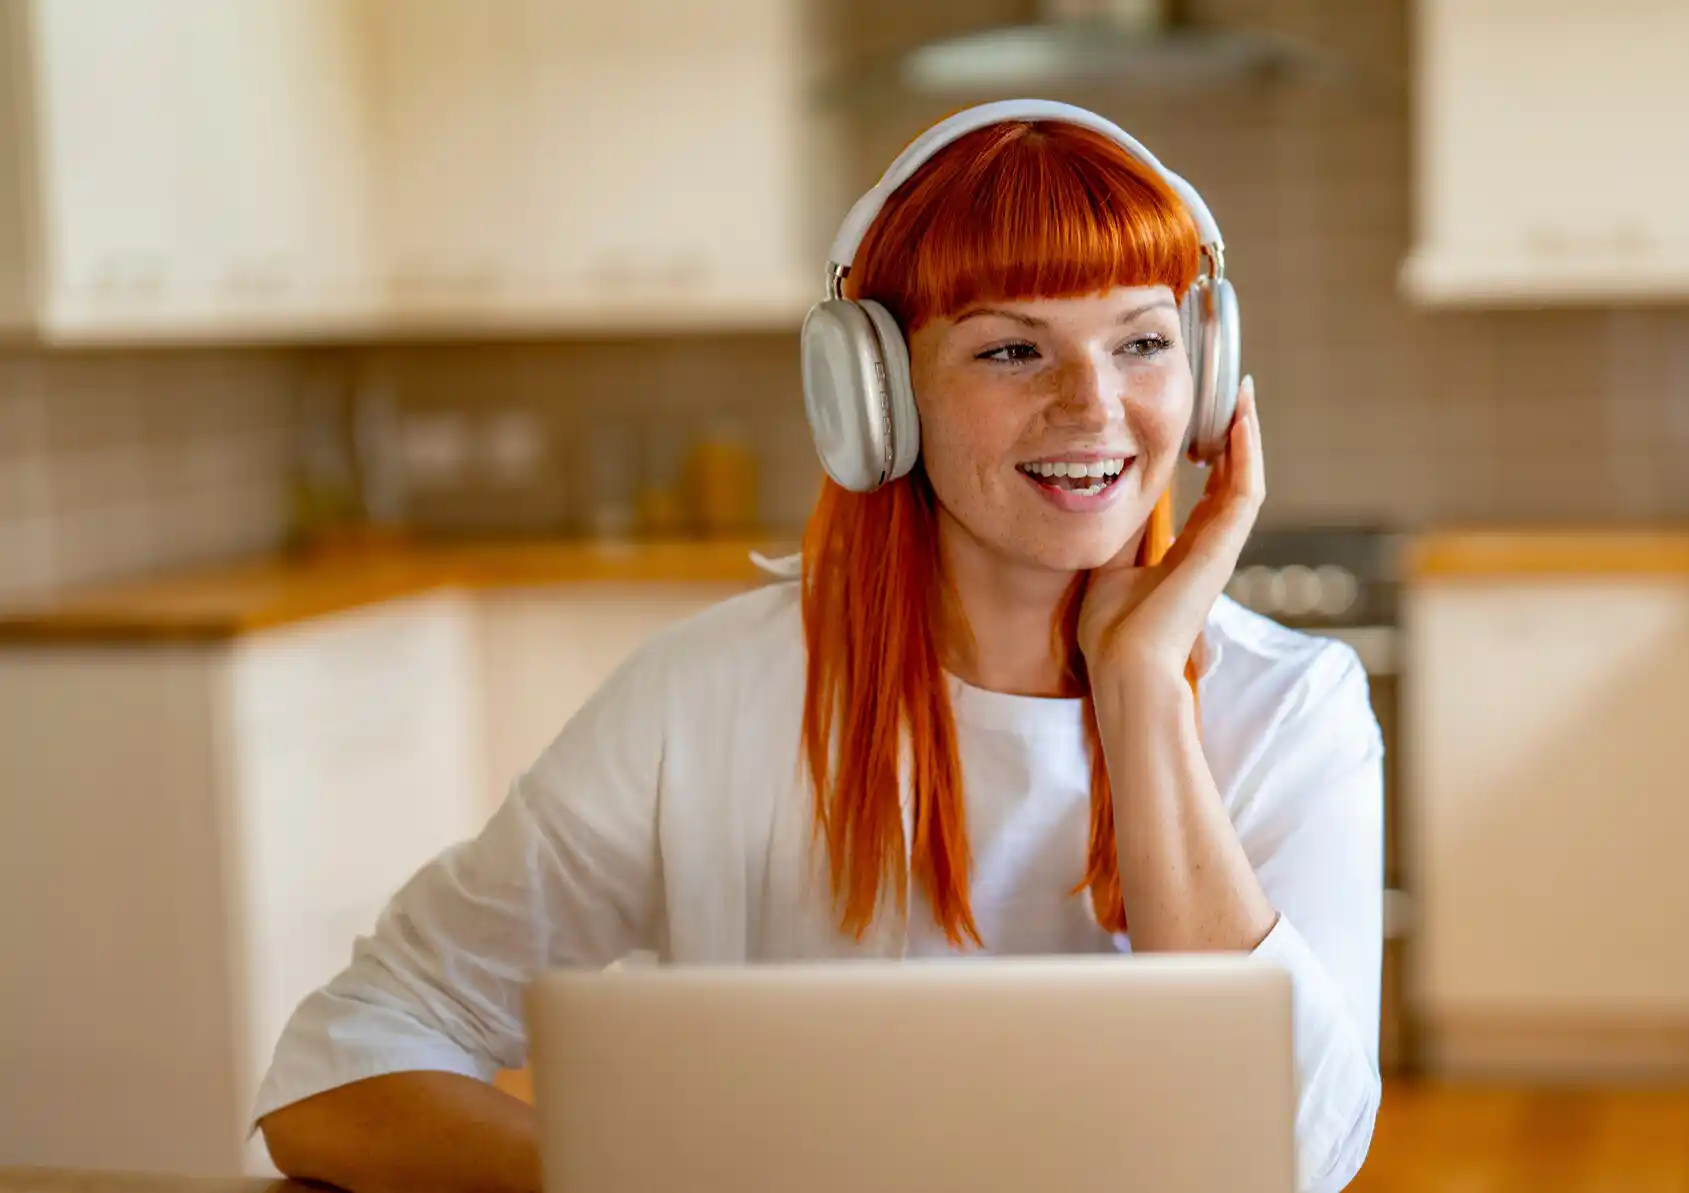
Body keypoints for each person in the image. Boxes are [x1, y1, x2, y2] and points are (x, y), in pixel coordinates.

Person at [253, 101, 1383, 1193]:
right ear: (876, 392)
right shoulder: (702, 700)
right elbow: (340, 1060)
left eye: (1142, 340)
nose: (1094, 405)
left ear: (1206, 375)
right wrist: (633, 1176)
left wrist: (1141, 690)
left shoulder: (1290, 706)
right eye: (1010, 351)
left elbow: (1299, 1155)